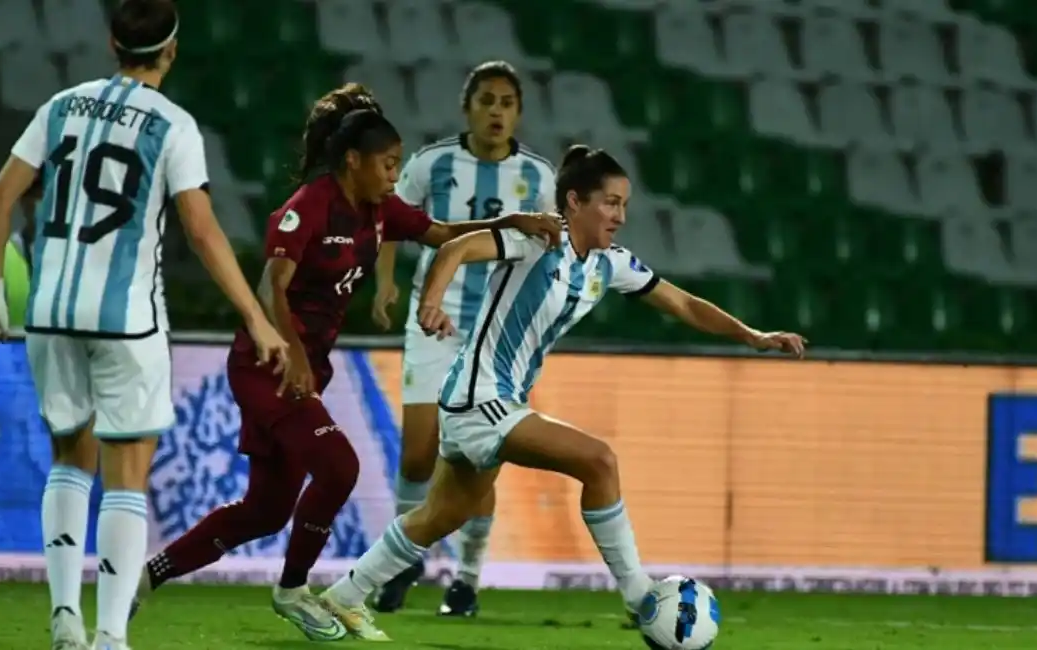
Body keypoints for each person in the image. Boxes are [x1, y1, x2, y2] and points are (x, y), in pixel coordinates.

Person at [319, 145, 806, 641]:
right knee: (599, 461)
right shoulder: (537, 238)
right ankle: (642, 598)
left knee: (440, 515)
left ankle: (343, 597)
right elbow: (455, 249)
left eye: (624, 205)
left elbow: (681, 302)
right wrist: (432, 303)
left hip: (493, 401)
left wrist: (753, 336)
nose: (620, 216)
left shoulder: (608, 264)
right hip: (479, 397)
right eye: (611, 203)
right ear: (574, 202)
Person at [128, 100, 562, 640]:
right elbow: (271, 288)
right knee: (340, 467)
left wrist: (510, 221)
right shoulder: (309, 206)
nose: (394, 176)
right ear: (353, 160)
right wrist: (294, 355)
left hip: (303, 370)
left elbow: (442, 232)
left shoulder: (381, 212)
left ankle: (145, 578)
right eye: (387, 164)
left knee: (264, 511)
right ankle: (293, 591)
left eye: (399, 164)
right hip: (270, 367)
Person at [0, 2, 290, 649]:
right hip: (125, 322)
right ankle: (110, 634)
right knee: (126, 471)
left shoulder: (61, 106)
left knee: (68, 458)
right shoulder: (172, 125)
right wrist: (257, 319)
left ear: (112, 42)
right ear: (171, 51)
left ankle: (64, 618)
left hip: (51, 313)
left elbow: (0, 196)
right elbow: (200, 230)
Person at [370, 60, 556, 617]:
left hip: (496, 336)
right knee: (418, 455)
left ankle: (467, 581)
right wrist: (384, 283)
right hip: (435, 320)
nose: (496, 111)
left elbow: (548, 252)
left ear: (518, 112)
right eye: (486, 100)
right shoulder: (433, 163)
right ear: (467, 106)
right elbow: (389, 221)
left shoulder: (539, 176)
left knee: (480, 457)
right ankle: (405, 563)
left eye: (506, 102)